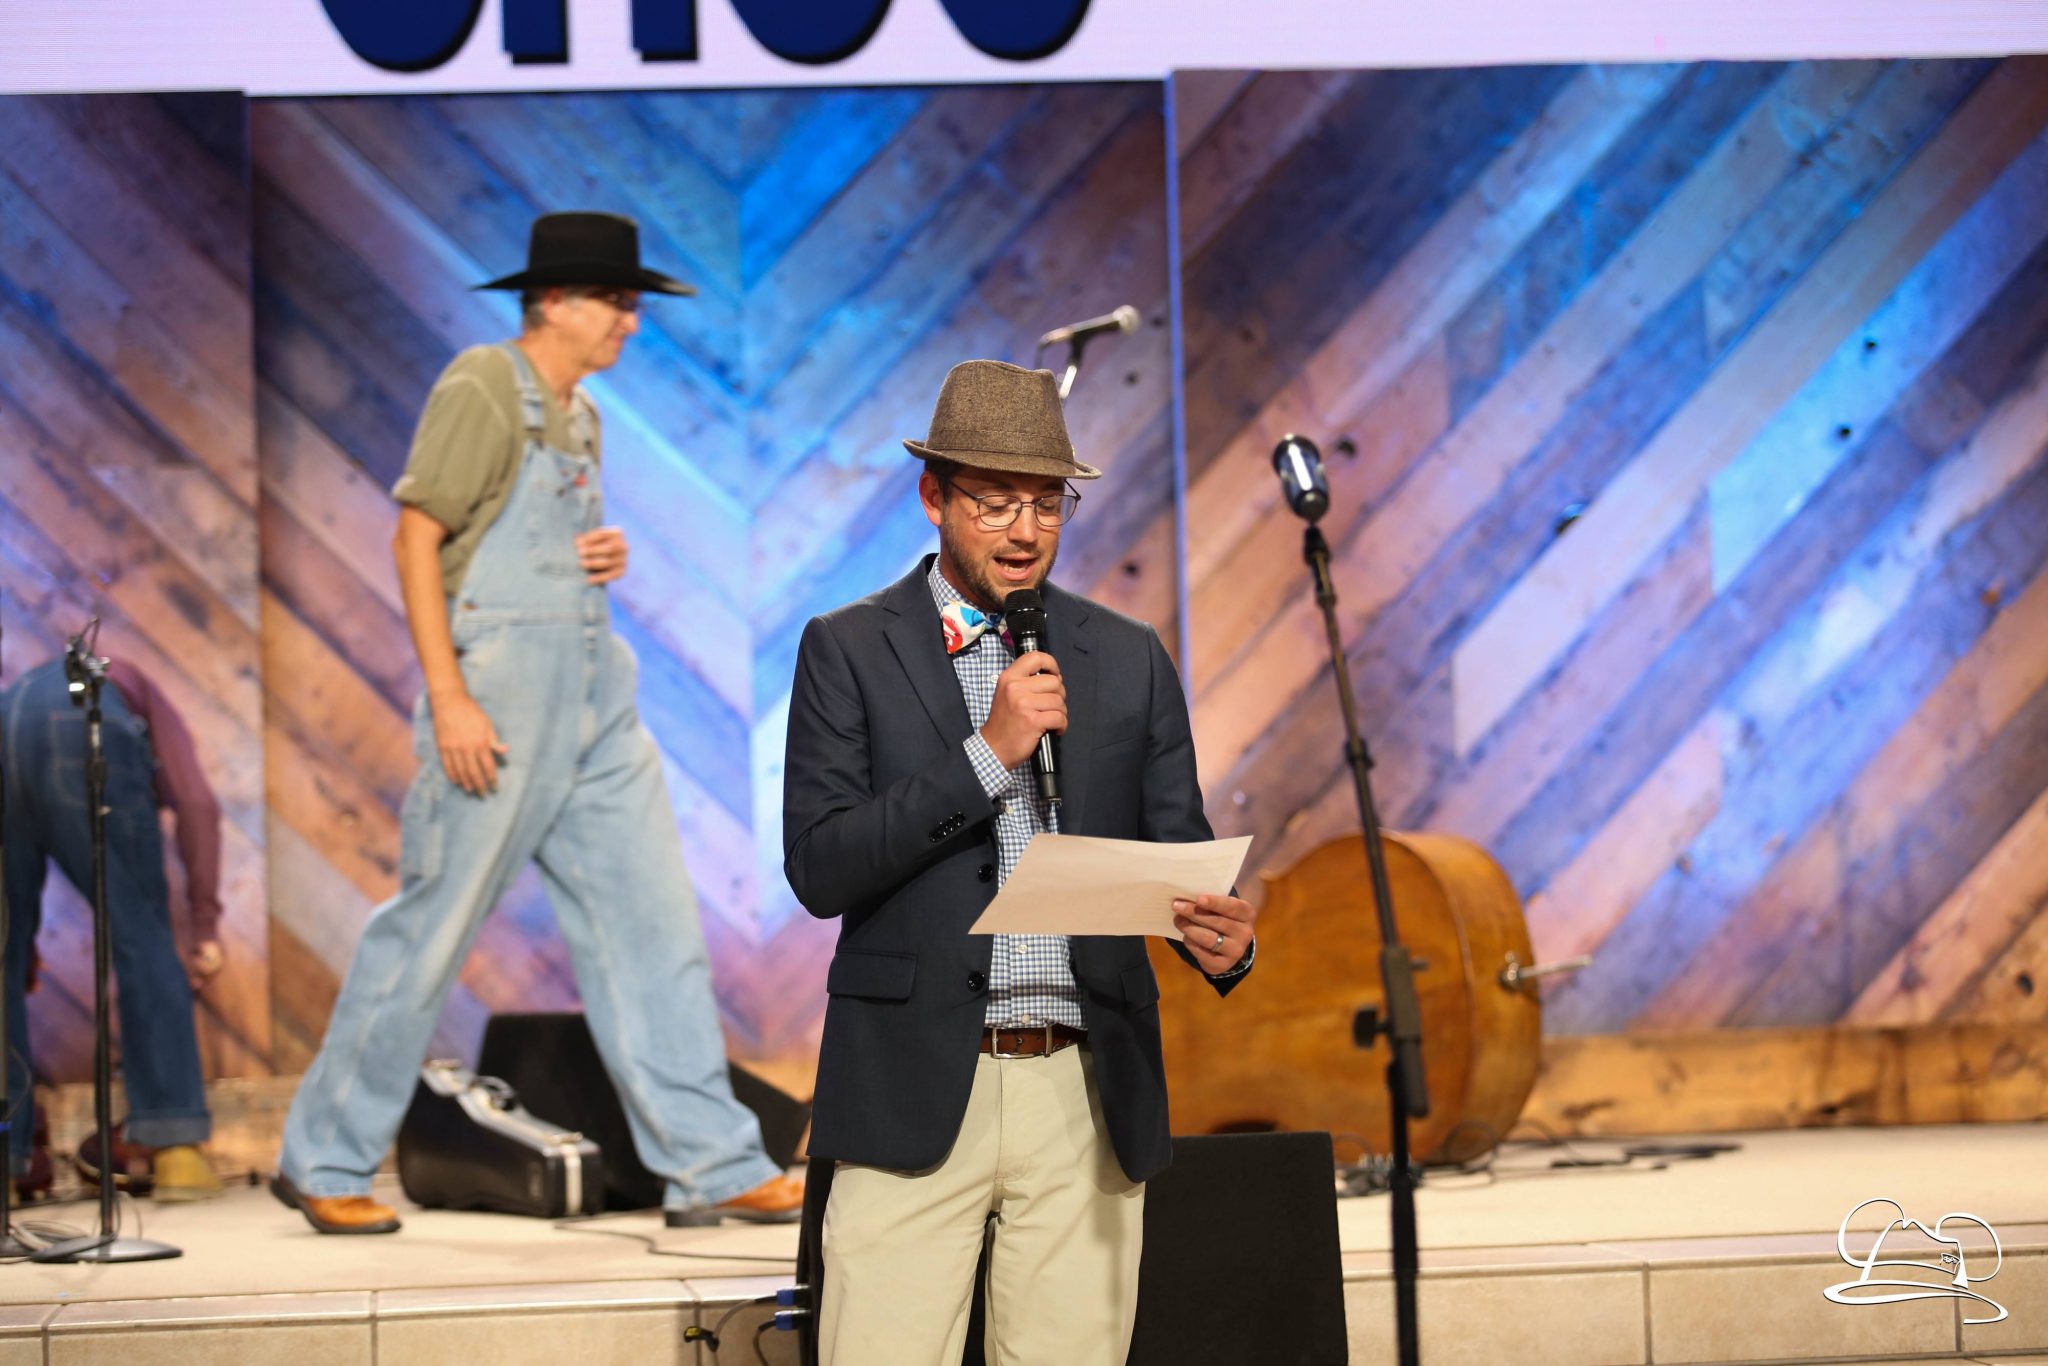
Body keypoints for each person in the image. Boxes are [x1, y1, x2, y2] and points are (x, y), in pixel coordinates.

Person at [273, 212, 801, 1235]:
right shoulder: (483, 383)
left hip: (596, 699)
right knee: (428, 930)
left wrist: (601, 554)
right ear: (554, 300)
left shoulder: (582, 413)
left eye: (633, 304)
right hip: (499, 703)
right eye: (617, 302)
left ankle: (711, 1163)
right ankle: (324, 1156)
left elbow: (523, 538)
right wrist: (451, 696)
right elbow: (416, 539)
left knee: (653, 931)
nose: (630, 323)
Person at [782, 360, 1260, 1364]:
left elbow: (1176, 851)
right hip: (913, 1082)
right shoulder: (848, 648)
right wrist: (988, 754)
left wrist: (1219, 938)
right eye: (994, 501)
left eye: (1046, 503)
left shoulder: (1126, 654)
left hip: (1083, 1087)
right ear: (934, 498)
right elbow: (820, 866)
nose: (1024, 529)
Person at [2, 653, 226, 1202]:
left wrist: (20, 949)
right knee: (143, 939)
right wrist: (203, 925)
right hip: (83, 727)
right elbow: (196, 803)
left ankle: (5, 1166)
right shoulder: (132, 688)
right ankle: (175, 1151)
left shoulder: (25, 690)